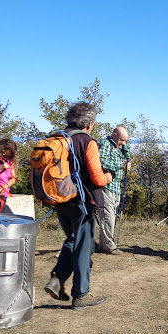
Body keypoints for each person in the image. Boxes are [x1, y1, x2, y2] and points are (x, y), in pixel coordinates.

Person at [44, 102, 113, 310]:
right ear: (89, 123)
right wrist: (109, 177)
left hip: (59, 198)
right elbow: (97, 178)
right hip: (81, 202)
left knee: (73, 239)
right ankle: (80, 295)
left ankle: (57, 278)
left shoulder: (56, 138)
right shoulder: (87, 141)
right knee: (84, 246)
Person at [97, 126, 131, 255]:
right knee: (108, 217)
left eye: (125, 140)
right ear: (115, 135)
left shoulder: (119, 146)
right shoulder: (106, 144)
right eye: (122, 140)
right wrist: (121, 165)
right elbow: (102, 161)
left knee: (111, 217)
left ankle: (103, 244)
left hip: (116, 187)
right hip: (107, 185)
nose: (123, 142)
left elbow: (127, 156)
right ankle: (109, 246)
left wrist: (125, 148)